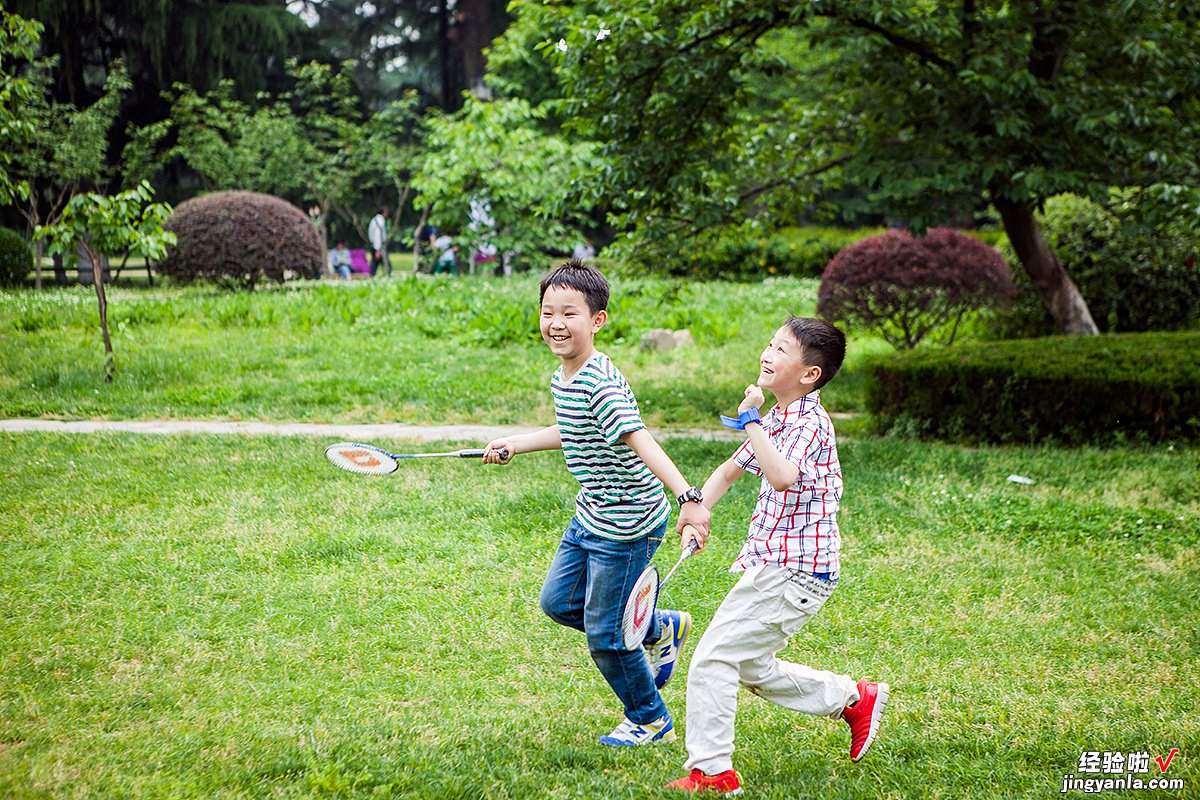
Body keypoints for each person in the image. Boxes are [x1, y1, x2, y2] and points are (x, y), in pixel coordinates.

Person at [483, 260, 711, 747]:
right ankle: (659, 628)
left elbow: (639, 439)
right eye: (548, 312)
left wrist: (688, 497)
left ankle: (650, 718)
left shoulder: (599, 383)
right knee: (559, 603)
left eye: (570, 313)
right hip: (592, 513)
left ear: (597, 320)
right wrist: (515, 443)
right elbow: (570, 429)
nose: (556, 323)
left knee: (606, 635)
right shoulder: (564, 376)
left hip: (627, 525)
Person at [664, 317, 888, 796]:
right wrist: (696, 511)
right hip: (775, 566)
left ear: (809, 374)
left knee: (712, 659)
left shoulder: (810, 423)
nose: (767, 354)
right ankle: (851, 699)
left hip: (795, 573)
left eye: (781, 350)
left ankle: (713, 773)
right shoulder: (779, 419)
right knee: (749, 665)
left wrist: (750, 420)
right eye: (769, 344)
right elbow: (728, 471)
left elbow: (783, 475)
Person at [368, 206, 388, 277]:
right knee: (382, 263)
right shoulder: (380, 221)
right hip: (377, 246)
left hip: (374, 245)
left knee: (375, 263)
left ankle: (372, 275)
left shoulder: (374, 220)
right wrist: (378, 250)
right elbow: (378, 236)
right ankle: (386, 275)